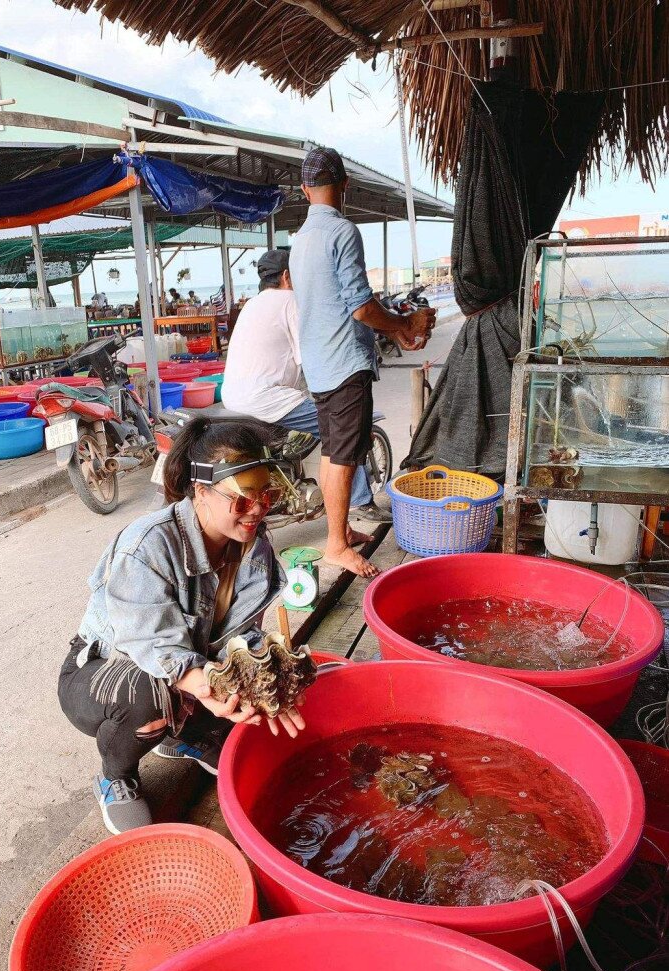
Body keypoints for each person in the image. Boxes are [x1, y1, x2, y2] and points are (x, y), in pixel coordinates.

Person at [58, 419, 304, 834]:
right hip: (104, 671)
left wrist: (267, 681)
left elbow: (240, 641)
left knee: (254, 717)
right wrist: (207, 685)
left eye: (268, 494)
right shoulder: (147, 546)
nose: (258, 509)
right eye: (242, 500)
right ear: (200, 490)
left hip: (194, 668)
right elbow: (151, 645)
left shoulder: (254, 543)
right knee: (153, 697)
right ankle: (116, 774)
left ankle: (179, 737)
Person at [290, 147, 436, 577]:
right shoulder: (342, 231)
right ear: (345, 185)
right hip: (343, 363)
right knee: (345, 457)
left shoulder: (299, 241)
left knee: (334, 451)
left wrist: (398, 329)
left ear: (304, 190)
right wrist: (404, 322)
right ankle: (336, 543)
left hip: (318, 365)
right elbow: (360, 308)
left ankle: (341, 532)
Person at [221, 248, 388, 524]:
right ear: (288, 276)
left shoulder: (251, 304)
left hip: (234, 397)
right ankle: (360, 501)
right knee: (343, 426)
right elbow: (311, 358)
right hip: (268, 398)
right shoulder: (291, 301)